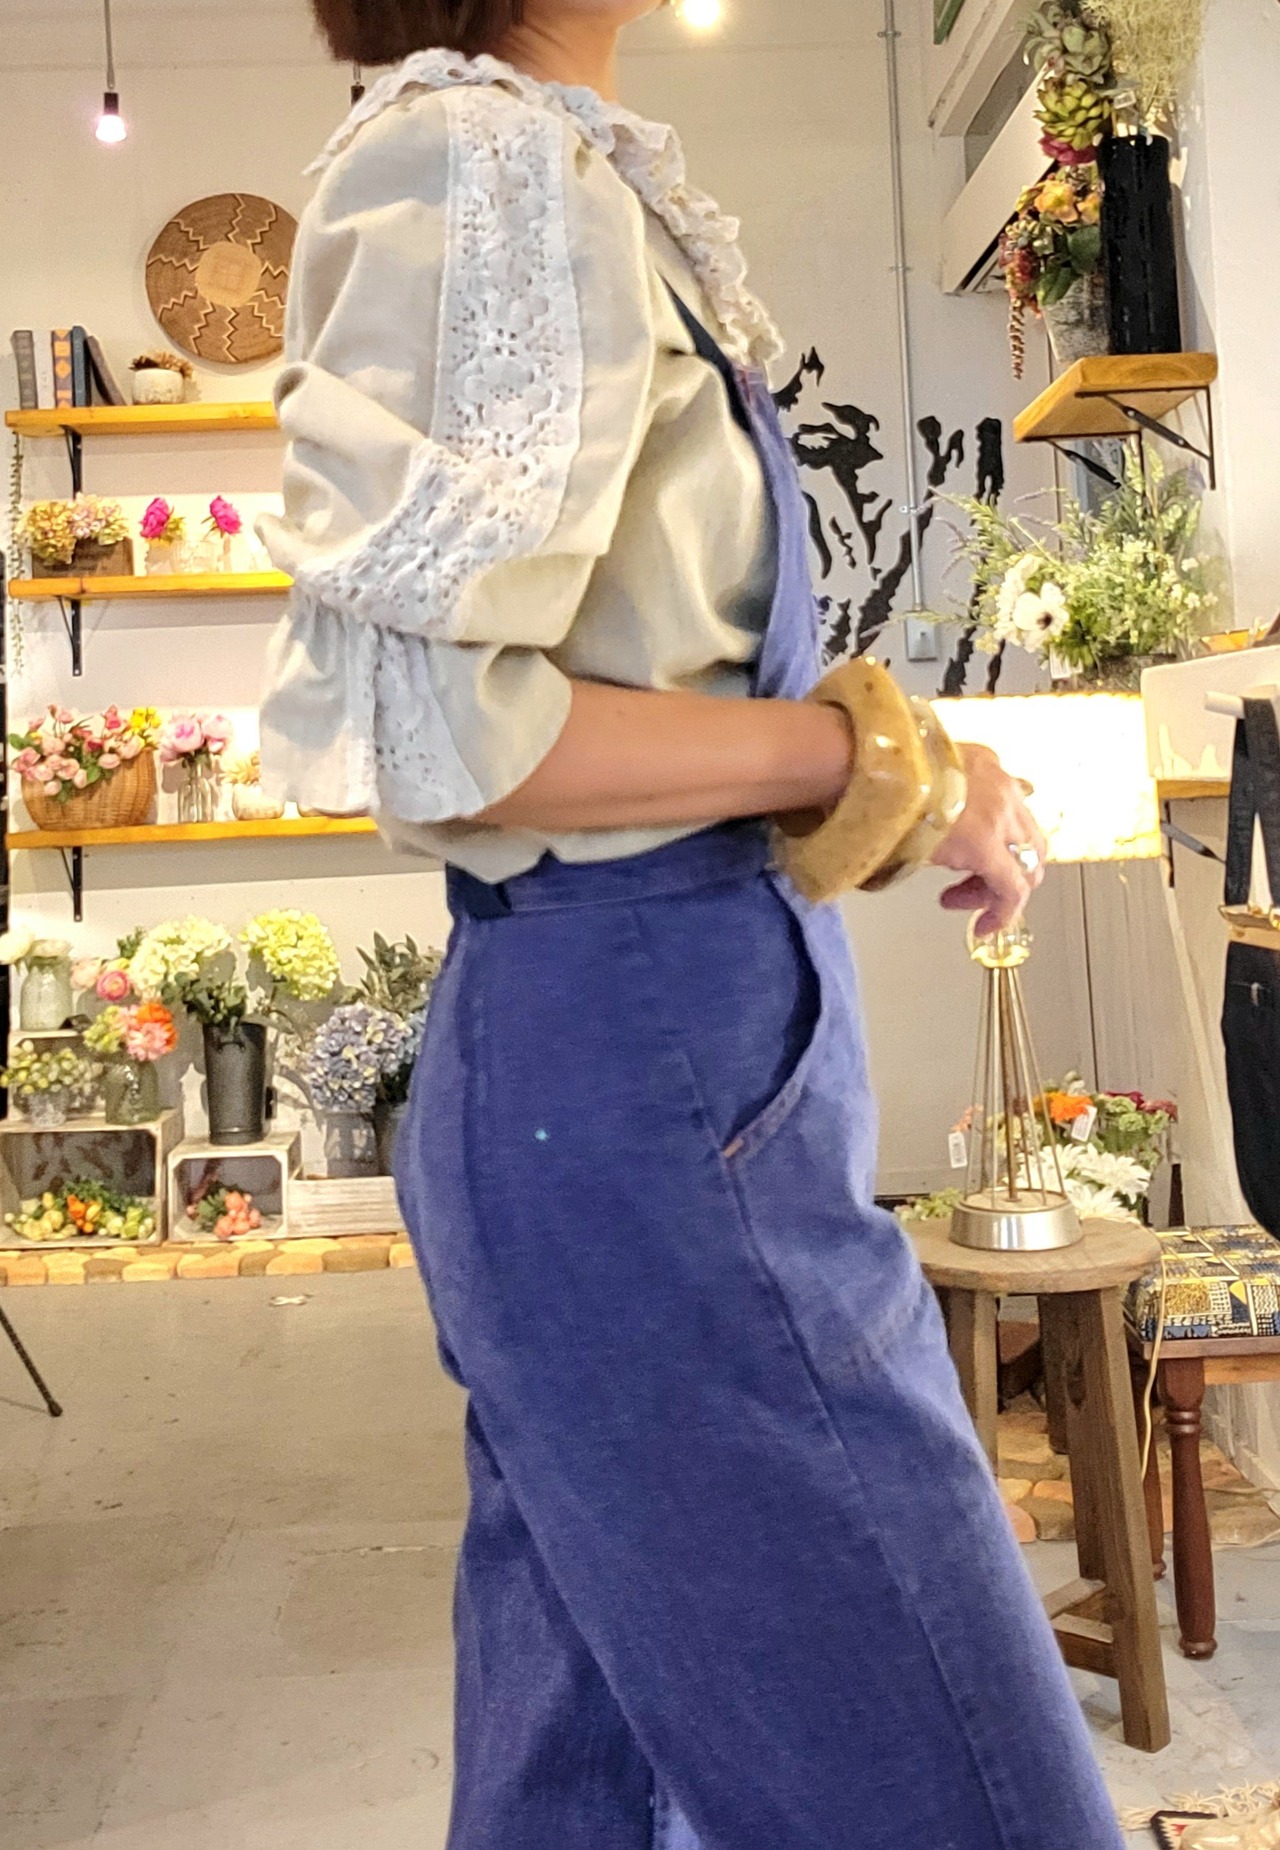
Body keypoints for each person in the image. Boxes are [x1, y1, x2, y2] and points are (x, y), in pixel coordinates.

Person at [259, 3, 1125, 1845]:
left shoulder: (544, 165)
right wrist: (873, 756)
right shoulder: (479, 161)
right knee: (953, 1778)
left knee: (586, 1767)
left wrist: (892, 769)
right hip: (641, 1067)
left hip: (658, 1048)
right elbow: (445, 734)